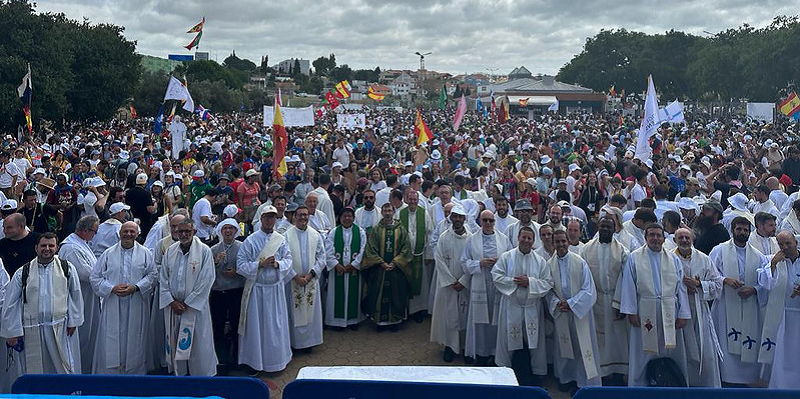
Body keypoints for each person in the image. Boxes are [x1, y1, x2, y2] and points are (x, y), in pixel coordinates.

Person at [619, 223, 691, 386]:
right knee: (643, 351)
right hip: (645, 311)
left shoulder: (673, 259)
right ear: (645, 238)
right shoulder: (634, 257)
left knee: (670, 350)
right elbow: (629, 285)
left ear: (664, 239)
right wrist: (631, 312)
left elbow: (681, 288)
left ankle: (671, 383)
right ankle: (640, 386)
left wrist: (683, 314)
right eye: (651, 235)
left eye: (658, 235)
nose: (655, 238)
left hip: (669, 311)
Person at [1, 233, 84, 374]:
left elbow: (75, 294)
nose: (47, 249)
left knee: (63, 366)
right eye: (43, 246)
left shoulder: (67, 268)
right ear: (36, 248)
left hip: (60, 327)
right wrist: (13, 331)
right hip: (32, 329)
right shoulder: (23, 272)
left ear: (56, 248)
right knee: (35, 369)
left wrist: (73, 321)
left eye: (51, 245)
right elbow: (11, 303)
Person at [90, 221, 158, 374]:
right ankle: (111, 374)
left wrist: (136, 287)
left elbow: (153, 275)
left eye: (132, 232)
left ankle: (135, 373)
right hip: (113, 302)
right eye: (125, 231)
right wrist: (111, 288)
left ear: (137, 234)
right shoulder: (108, 253)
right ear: (119, 233)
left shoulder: (146, 253)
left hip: (136, 303)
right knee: (111, 339)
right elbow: (95, 277)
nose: (128, 234)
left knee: (136, 338)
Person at [709, 216, 769, 386]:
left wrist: (754, 290)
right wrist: (725, 280)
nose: (742, 232)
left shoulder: (758, 256)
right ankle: (725, 377)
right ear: (732, 230)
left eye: (745, 230)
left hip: (749, 304)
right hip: (726, 306)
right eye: (739, 229)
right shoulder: (719, 251)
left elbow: (764, 282)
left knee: (749, 341)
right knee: (725, 340)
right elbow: (710, 274)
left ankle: (747, 379)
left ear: (750, 232)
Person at [492, 226, 553, 386]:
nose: (526, 241)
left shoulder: (540, 261)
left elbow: (548, 282)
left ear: (533, 241)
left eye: (529, 238)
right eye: (523, 237)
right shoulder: (507, 257)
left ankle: (536, 372)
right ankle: (506, 371)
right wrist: (514, 282)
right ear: (518, 238)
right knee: (508, 340)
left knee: (534, 343)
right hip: (511, 306)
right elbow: (496, 276)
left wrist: (530, 282)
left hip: (532, 308)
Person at [236, 205, 293, 374]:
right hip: (256, 291)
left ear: (276, 219)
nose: (269, 220)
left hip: (275, 291)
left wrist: (277, 264)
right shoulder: (251, 240)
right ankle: (255, 363)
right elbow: (240, 265)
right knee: (256, 327)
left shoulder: (280, 239)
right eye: (267, 217)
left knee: (275, 326)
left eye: (273, 217)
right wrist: (259, 264)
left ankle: (277, 361)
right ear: (261, 219)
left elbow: (289, 259)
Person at [159, 217, 218, 376]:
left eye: (187, 231)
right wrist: (171, 302)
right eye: (181, 231)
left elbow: (207, 279)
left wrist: (188, 303)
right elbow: (163, 278)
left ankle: (200, 376)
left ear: (195, 231)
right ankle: (180, 374)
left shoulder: (204, 251)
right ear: (176, 232)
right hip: (174, 308)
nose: (184, 234)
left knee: (198, 344)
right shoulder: (171, 251)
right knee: (176, 339)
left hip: (193, 309)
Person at [547, 230, 600, 390]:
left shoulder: (580, 262)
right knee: (564, 345)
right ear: (553, 244)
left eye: (563, 241)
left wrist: (571, 303)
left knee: (582, 347)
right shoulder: (549, 265)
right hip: (562, 312)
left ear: (568, 242)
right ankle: (566, 378)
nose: (561, 245)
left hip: (579, 312)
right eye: (558, 242)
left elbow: (589, 289)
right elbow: (548, 290)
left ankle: (583, 382)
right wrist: (557, 303)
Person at [580, 215, 630, 384]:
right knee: (598, 340)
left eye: (609, 227)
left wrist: (621, 303)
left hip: (615, 301)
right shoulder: (586, 249)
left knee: (618, 340)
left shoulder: (622, 250)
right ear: (598, 228)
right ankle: (600, 376)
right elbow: (583, 277)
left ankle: (617, 374)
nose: (606, 230)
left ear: (615, 229)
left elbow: (626, 278)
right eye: (603, 227)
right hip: (596, 301)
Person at [672, 227, 722, 387]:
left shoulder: (704, 259)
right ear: (675, 240)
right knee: (682, 353)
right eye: (681, 238)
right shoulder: (669, 258)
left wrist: (699, 284)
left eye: (687, 238)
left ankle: (706, 387)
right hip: (678, 312)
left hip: (700, 311)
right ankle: (683, 386)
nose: (684, 241)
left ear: (692, 240)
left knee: (705, 354)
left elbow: (718, 284)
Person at [462, 209, 511, 364]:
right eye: (485, 220)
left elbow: (511, 260)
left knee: (496, 319)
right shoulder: (471, 240)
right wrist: (479, 263)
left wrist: (500, 262)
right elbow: (464, 262)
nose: (488, 223)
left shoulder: (503, 239)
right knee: (481, 321)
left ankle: (496, 352)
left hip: (497, 286)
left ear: (494, 222)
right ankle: (481, 352)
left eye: (491, 220)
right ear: (480, 222)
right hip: (480, 284)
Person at [58, 215, 100, 374]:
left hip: (88, 296)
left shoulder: (81, 244)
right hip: (80, 298)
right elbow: (85, 273)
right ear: (84, 230)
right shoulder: (70, 248)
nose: (94, 236)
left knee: (89, 337)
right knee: (82, 338)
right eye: (94, 232)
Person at [360, 202, 412, 331]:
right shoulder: (377, 229)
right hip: (380, 269)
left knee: (397, 294)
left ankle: (395, 321)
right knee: (378, 293)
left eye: (390, 211)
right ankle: (380, 322)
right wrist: (381, 262)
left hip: (396, 269)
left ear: (394, 212)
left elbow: (406, 248)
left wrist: (395, 262)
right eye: (385, 211)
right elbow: (370, 248)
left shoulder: (401, 229)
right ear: (382, 212)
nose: (388, 213)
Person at [430, 204, 471, 362]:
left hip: (464, 285)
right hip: (448, 285)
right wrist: (451, 280)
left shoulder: (471, 238)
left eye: (460, 217)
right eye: (455, 216)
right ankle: (450, 347)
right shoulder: (444, 237)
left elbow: (473, 260)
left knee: (465, 316)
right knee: (449, 316)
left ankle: (465, 346)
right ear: (451, 218)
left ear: (464, 219)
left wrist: (464, 281)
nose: (458, 219)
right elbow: (439, 260)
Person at [283, 206, 325, 351]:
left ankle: (309, 343)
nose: (303, 218)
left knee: (310, 313)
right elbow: (283, 259)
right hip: (294, 280)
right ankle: (295, 344)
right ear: (294, 216)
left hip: (310, 280)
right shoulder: (287, 236)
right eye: (300, 215)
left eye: (305, 215)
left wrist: (311, 274)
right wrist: (295, 276)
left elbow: (322, 257)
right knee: (295, 313)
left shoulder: (315, 235)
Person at [762, 231, 800, 388]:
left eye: (788, 243)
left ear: (796, 243)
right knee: (782, 355)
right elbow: (764, 283)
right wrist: (773, 264)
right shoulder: (772, 259)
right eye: (781, 244)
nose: (784, 247)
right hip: (782, 315)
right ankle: (781, 386)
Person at [209, 217, 245, 375]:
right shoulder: (214, 249)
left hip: (236, 292)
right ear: (221, 231)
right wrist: (215, 263)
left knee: (237, 326)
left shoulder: (242, 247)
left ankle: (237, 357)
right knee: (218, 326)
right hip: (218, 294)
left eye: (231, 228)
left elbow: (249, 268)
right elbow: (206, 273)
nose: (228, 231)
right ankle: (221, 359)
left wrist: (237, 272)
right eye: (225, 228)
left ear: (236, 231)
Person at [324, 207, 366, 329]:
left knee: (354, 293)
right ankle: (336, 322)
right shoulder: (333, 232)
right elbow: (328, 250)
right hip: (338, 270)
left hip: (353, 270)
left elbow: (363, 250)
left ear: (353, 218)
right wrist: (336, 265)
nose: (347, 219)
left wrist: (354, 265)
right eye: (344, 216)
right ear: (340, 218)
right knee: (336, 295)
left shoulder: (360, 232)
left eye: (349, 216)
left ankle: (353, 320)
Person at [399, 190, 435, 321]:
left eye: (415, 199)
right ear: (406, 199)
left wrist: (429, 255)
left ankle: (419, 310)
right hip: (405, 255)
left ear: (418, 200)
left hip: (421, 254)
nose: (413, 202)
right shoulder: (401, 213)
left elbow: (430, 234)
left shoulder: (423, 213)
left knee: (421, 283)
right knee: (406, 281)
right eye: (410, 199)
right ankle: (407, 310)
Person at [126, 173, 156, 238]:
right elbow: (150, 209)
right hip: (144, 221)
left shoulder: (128, 192)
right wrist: (155, 204)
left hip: (131, 219)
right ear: (145, 183)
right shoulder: (146, 194)